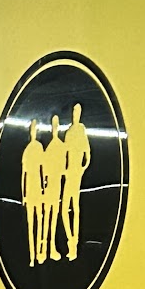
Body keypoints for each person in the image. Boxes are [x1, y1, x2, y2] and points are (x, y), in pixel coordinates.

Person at [60, 101, 91, 262]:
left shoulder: (81, 130)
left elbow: (88, 154)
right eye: (74, 112)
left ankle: (75, 245)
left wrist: (82, 169)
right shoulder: (69, 132)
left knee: (75, 207)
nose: (75, 115)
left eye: (77, 112)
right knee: (64, 209)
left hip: (76, 174)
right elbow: (64, 154)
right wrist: (64, 169)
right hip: (69, 173)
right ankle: (70, 240)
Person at [39, 113, 65, 265]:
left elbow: (64, 168)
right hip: (49, 187)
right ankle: (43, 249)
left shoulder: (60, 147)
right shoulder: (48, 148)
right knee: (46, 217)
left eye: (56, 126)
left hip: (56, 187)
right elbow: (43, 170)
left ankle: (51, 247)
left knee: (53, 218)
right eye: (53, 126)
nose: (55, 129)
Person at [20, 120, 45, 266]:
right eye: (32, 130)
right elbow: (23, 174)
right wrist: (23, 195)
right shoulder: (27, 151)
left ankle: (40, 252)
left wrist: (43, 189)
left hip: (37, 190)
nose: (33, 132)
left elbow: (42, 170)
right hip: (30, 191)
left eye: (35, 130)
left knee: (40, 221)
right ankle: (32, 256)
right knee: (31, 225)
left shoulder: (39, 148)